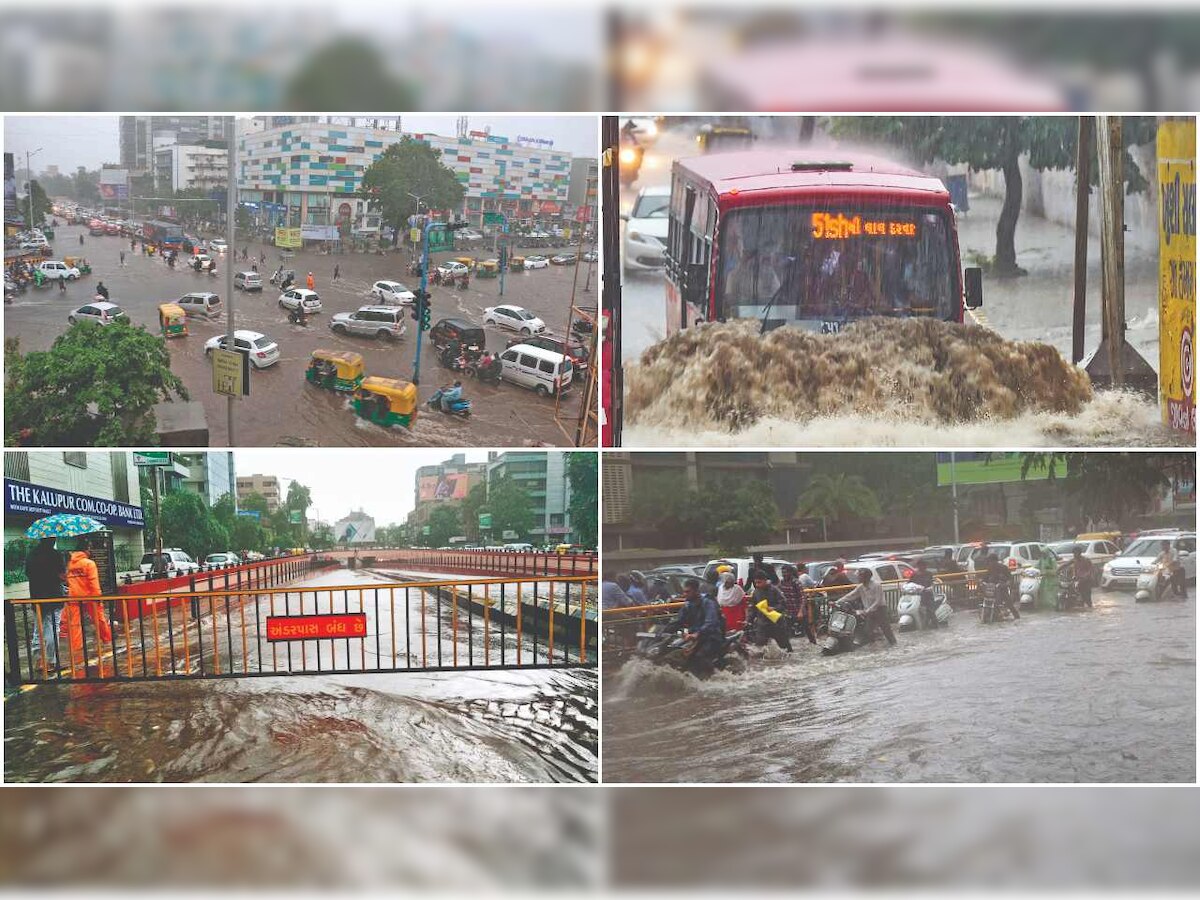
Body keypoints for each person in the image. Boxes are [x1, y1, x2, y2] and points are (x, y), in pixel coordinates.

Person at [61, 535, 113, 677]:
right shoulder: (89, 564)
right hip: (90, 597)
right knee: (100, 620)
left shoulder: (71, 564)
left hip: (74, 597)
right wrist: (98, 599)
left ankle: (76, 651)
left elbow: (68, 580)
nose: (91, 550)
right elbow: (93, 583)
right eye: (89, 547)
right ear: (86, 549)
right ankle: (107, 640)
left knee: (74, 625)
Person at [665, 578, 725, 675]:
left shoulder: (707, 602)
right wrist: (663, 631)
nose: (685, 594)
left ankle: (712, 677)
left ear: (696, 591)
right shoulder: (688, 605)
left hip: (711, 637)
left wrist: (697, 634)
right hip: (693, 638)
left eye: (688, 592)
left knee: (698, 657)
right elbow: (678, 621)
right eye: (684, 592)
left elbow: (711, 622)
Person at [26, 537, 66, 668]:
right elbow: (62, 576)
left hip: (37, 598)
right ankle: (51, 661)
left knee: (38, 629)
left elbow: (28, 573)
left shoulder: (32, 554)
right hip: (54, 597)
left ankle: (38, 661)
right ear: (52, 541)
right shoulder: (56, 555)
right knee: (53, 629)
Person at [841, 568, 896, 646]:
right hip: (869, 611)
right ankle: (873, 645)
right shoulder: (860, 587)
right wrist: (837, 602)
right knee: (868, 630)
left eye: (860, 576)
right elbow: (850, 596)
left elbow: (878, 601)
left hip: (880, 610)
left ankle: (893, 644)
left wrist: (868, 610)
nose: (858, 578)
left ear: (866, 577)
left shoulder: (877, 585)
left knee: (886, 629)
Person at [748, 569, 793, 652]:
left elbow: (783, 604)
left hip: (777, 623)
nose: (757, 585)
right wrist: (748, 620)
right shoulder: (756, 592)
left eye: (759, 582)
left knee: (785, 647)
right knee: (760, 648)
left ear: (765, 580)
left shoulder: (774, 590)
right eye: (756, 583)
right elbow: (753, 609)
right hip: (762, 624)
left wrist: (774, 608)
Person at [982, 553, 1020, 619]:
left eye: (991, 561)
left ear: (995, 561)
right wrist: (982, 583)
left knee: (1009, 604)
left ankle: (1016, 616)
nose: (990, 563)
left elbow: (1010, 578)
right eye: (989, 562)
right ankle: (995, 615)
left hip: (1002, 589)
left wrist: (1006, 584)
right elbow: (985, 579)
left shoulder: (1003, 568)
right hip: (992, 591)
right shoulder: (990, 569)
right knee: (988, 602)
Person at [909, 557, 939, 629]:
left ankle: (934, 624)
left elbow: (932, 582)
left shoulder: (929, 574)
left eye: (924, 565)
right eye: (921, 565)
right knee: (920, 610)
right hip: (918, 596)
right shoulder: (914, 575)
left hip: (928, 595)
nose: (923, 567)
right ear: (918, 566)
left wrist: (930, 587)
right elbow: (910, 584)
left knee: (931, 610)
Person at [714, 568, 746, 632]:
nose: (728, 583)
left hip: (735, 613)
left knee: (735, 630)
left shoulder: (737, 588)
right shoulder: (720, 588)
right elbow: (718, 599)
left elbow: (743, 599)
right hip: (723, 612)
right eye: (727, 581)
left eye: (730, 581)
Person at [794, 563, 818, 644]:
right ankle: (813, 631)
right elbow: (813, 585)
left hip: (796, 602)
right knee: (812, 615)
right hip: (805, 600)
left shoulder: (795, 578)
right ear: (804, 569)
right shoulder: (805, 576)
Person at [1037, 546, 1061, 611]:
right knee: (1043, 593)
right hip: (1044, 579)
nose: (1042, 554)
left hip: (1052, 580)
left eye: (1044, 553)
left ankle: (1053, 607)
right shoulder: (1041, 559)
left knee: (1051, 595)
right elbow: (1037, 566)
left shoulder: (1051, 559)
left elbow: (1055, 571)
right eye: (1042, 553)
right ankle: (1045, 607)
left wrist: (1046, 572)